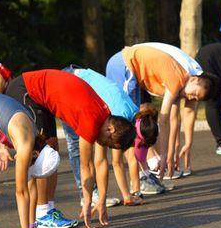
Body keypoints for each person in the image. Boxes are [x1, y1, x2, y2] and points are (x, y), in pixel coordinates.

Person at [5, 69, 136, 228]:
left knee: (52, 148)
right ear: (111, 130)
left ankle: (48, 209)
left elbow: (101, 162)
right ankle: (39, 216)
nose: (104, 145)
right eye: (109, 144)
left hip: (41, 98)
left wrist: (101, 200)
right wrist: (87, 203)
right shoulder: (92, 120)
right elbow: (86, 165)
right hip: (25, 91)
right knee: (41, 155)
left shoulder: (105, 117)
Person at [106, 45, 215, 181]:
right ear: (193, 80)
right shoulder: (177, 80)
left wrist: (170, 154)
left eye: (195, 98)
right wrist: (164, 156)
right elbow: (163, 120)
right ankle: (142, 176)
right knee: (129, 123)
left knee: (139, 120)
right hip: (123, 65)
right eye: (194, 94)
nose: (191, 98)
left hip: (134, 67)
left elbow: (173, 120)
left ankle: (146, 171)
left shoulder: (184, 81)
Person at [63, 65, 160, 205]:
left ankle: (93, 195)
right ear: (137, 137)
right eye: (141, 145)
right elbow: (104, 160)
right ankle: (88, 196)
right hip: (71, 82)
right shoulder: (117, 120)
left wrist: (131, 195)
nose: (138, 148)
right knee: (77, 145)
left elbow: (127, 160)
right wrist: (103, 200)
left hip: (82, 79)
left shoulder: (134, 116)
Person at [0, 91, 59, 228]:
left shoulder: (35, 134)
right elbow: (21, 192)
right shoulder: (26, 145)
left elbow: (31, 185)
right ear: (35, 155)